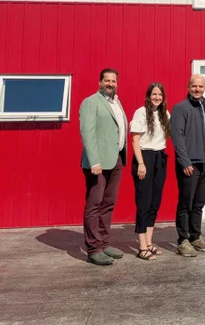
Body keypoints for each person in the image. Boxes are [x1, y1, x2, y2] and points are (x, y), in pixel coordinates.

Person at [79, 68, 127, 266]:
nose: (110, 84)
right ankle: (93, 249)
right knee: (94, 204)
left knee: (108, 203)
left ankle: (104, 243)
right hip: (98, 163)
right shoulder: (91, 102)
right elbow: (87, 133)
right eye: (106, 80)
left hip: (116, 159)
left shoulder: (117, 102)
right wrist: (94, 161)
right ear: (100, 82)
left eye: (113, 81)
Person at [170, 74, 205, 257]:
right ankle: (183, 240)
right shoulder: (181, 108)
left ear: (204, 88)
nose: (197, 89)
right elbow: (177, 136)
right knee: (185, 204)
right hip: (190, 164)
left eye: (200, 86)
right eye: (194, 86)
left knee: (199, 203)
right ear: (188, 87)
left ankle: (195, 236)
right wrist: (185, 161)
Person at [129, 82, 170, 261]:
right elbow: (135, 140)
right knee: (143, 203)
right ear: (148, 95)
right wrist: (141, 163)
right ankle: (142, 246)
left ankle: (149, 242)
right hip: (144, 157)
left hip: (160, 158)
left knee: (155, 202)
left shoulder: (164, 114)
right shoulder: (140, 112)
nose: (157, 97)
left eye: (160, 95)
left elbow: (166, 136)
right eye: (154, 94)